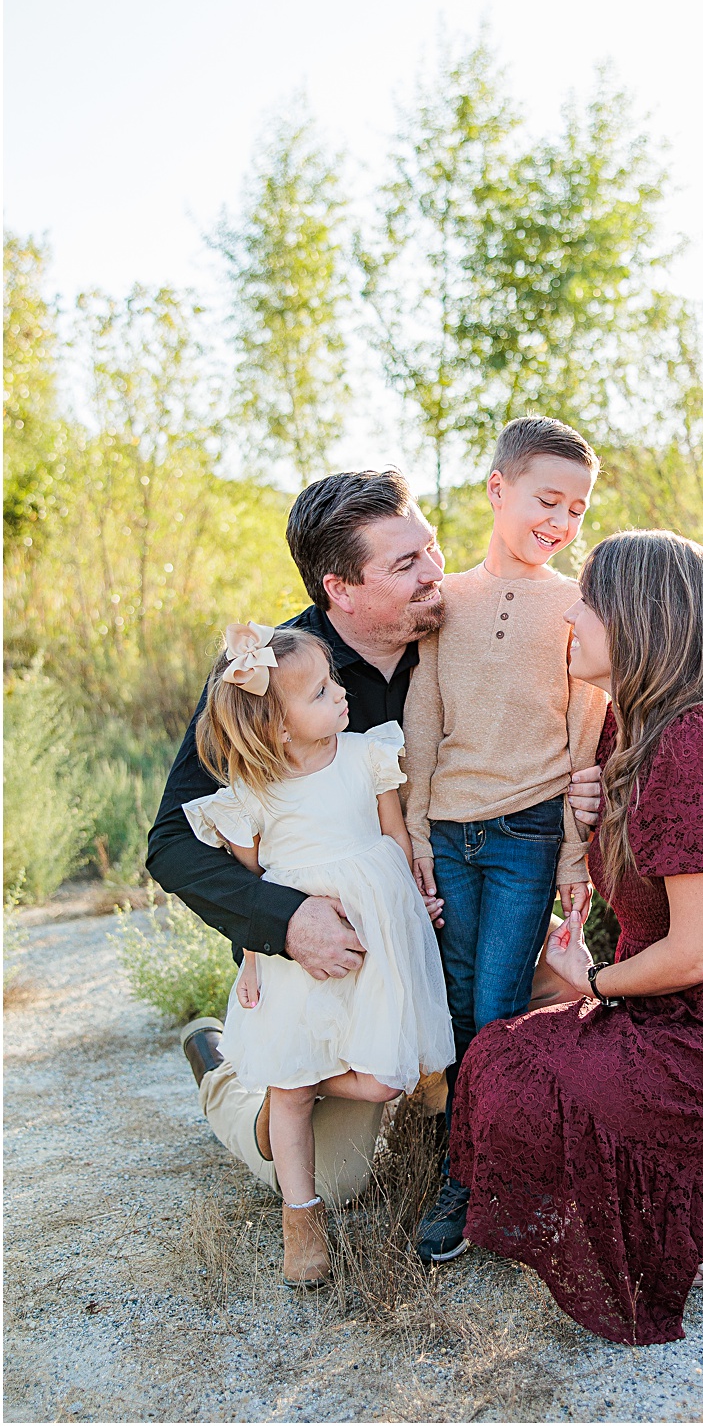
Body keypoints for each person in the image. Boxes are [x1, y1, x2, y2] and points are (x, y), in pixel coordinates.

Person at [147, 466, 598, 1211]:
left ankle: (448, 1104)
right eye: (406, 564)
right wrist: (288, 921)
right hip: (335, 960)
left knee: (568, 983)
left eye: (432, 549)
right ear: (341, 589)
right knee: (337, 1180)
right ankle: (227, 1070)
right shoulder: (271, 677)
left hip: (455, 915)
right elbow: (172, 840)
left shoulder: (467, 626)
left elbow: (560, 716)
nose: (435, 573)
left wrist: (591, 779)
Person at [449, 530, 703, 1345]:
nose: (571, 617)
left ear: (639, 616)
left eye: (587, 601)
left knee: (519, 1075)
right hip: (676, 1009)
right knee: (502, 1059)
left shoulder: (695, 742)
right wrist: (591, 817)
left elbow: (701, 951)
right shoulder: (629, 728)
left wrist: (589, 987)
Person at [181, 621, 453, 1285]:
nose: (341, 697)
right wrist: (251, 961)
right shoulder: (250, 797)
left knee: (388, 1076)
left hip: (374, 940)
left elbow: (394, 839)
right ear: (277, 727)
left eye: (334, 682)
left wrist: (420, 901)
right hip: (294, 956)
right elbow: (249, 893)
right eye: (322, 693)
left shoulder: (367, 755)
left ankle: (286, 1076)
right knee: (295, 1095)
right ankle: (300, 1221)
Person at [403, 416, 609, 1263]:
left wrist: (569, 852)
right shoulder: (445, 599)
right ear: (498, 491)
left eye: (577, 509)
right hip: (449, 831)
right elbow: (424, 718)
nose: (560, 520)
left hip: (527, 833)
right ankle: (459, 1155)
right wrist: (415, 830)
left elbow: (583, 732)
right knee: (453, 1004)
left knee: (495, 1008)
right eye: (546, 500)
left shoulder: (575, 607)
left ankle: (482, 1177)